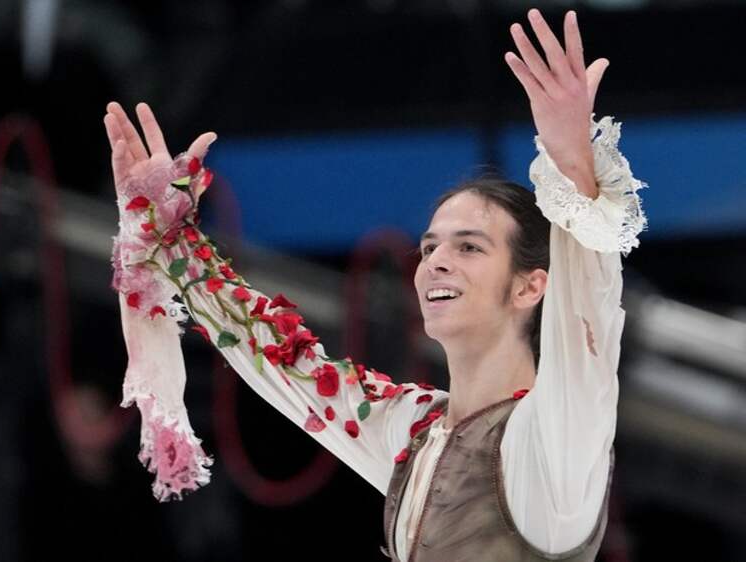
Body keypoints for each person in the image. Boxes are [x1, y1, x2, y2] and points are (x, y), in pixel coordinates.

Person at [106, 8, 644, 562]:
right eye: (429, 247)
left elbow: (587, 319)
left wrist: (573, 166)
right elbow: (283, 365)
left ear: (530, 287)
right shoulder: (413, 429)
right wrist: (170, 240)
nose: (435, 262)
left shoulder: (554, 440)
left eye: (469, 247)